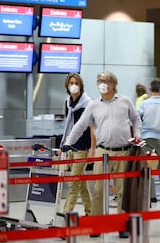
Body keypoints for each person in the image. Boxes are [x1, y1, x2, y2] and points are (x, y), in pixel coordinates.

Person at [62, 71, 142, 239]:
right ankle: (96, 225)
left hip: (123, 151)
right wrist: (68, 142)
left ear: (113, 84)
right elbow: (81, 125)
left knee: (121, 191)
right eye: (99, 80)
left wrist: (138, 134)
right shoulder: (93, 105)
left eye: (104, 80)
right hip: (102, 151)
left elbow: (136, 119)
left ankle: (122, 225)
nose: (101, 83)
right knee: (98, 190)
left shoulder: (125, 101)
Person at [59, 73, 94, 217]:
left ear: (81, 85)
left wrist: (92, 148)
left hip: (82, 147)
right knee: (82, 183)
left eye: (76, 83)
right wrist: (65, 143)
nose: (74, 85)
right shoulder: (68, 103)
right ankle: (91, 212)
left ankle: (65, 216)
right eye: (71, 83)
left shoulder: (87, 103)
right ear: (67, 85)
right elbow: (69, 126)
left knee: (73, 183)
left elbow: (92, 127)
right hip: (71, 146)